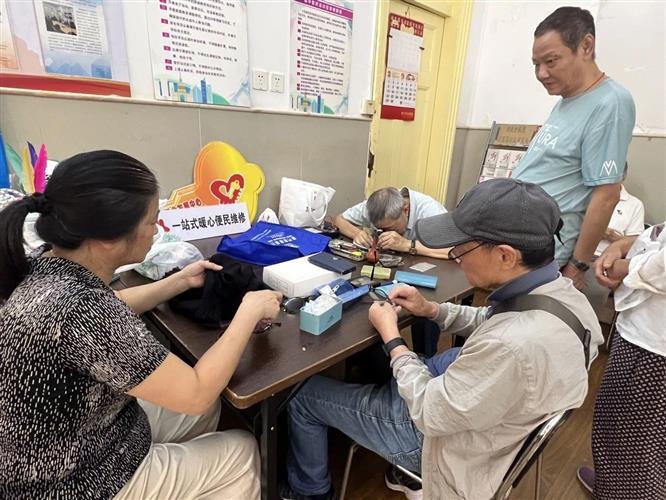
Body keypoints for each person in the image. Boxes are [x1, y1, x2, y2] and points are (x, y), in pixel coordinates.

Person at [281, 178, 603, 500]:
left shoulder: (512, 346)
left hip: (438, 436)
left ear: (506, 256)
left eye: (463, 247)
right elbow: (491, 320)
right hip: (479, 404)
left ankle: (310, 493)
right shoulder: (565, 298)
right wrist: (431, 309)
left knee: (301, 394)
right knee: (381, 361)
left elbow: (429, 411)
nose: (456, 255)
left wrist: (393, 338)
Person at [0, 151, 283, 499]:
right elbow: (195, 393)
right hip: (74, 483)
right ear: (109, 239)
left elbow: (107, 308)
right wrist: (249, 310)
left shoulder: (44, 264)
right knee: (240, 450)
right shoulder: (85, 312)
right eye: (152, 221)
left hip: (72, 441)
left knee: (209, 410)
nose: (157, 229)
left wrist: (178, 282)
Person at [514, 6, 636, 290]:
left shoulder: (611, 102)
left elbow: (606, 195)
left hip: (543, 257)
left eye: (551, 61)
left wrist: (577, 266)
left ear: (586, 46)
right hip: (517, 246)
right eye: (535, 64)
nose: (541, 73)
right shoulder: (566, 100)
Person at [576, 223, 666, 499]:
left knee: (632, 440)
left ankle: (622, 491)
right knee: (631, 434)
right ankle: (613, 484)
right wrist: (625, 245)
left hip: (653, 346)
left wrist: (624, 267)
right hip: (646, 332)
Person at [332, 186, 450, 259]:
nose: (384, 233)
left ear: (405, 210)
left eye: (390, 228)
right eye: (380, 229)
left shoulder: (431, 212)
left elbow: (454, 250)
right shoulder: (375, 205)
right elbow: (339, 220)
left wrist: (407, 245)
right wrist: (357, 233)